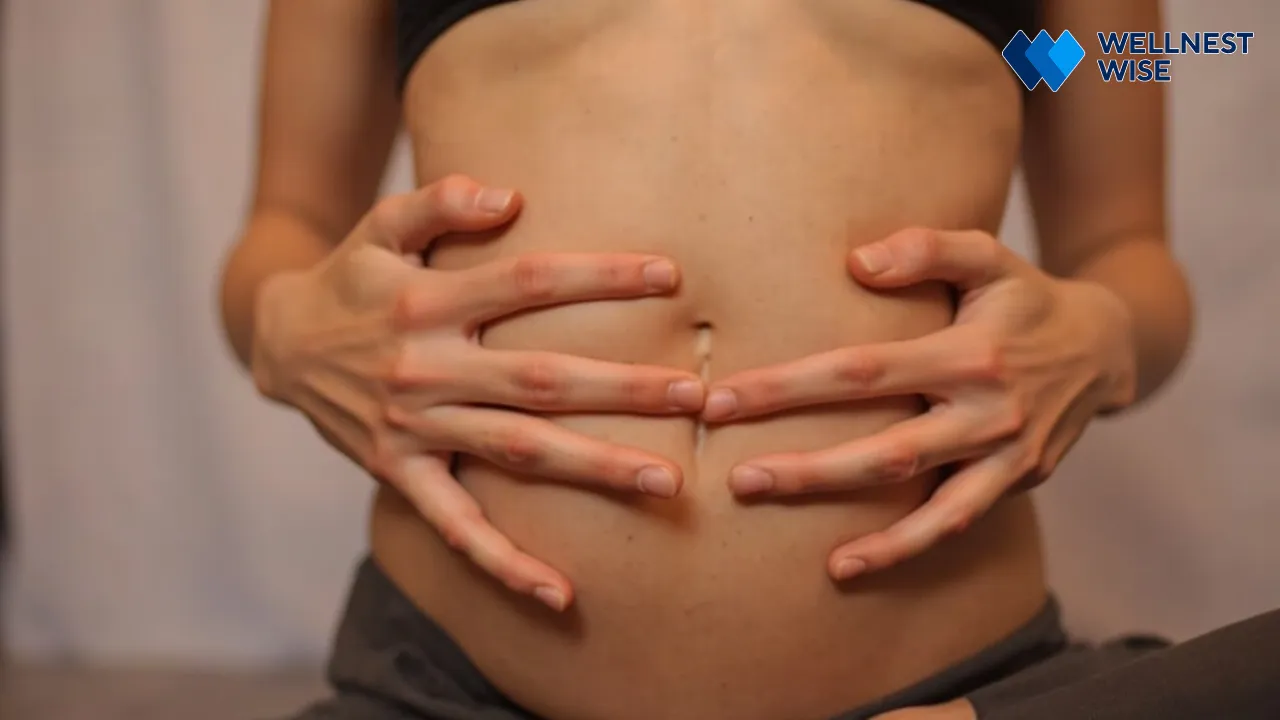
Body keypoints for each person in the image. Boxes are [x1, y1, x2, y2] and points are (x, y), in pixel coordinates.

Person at [219, 1, 1198, 718]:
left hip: (952, 694)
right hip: (451, 688)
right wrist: (288, 325)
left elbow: (1125, 249)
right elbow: (287, 225)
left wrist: (1103, 335)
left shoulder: (1045, 51)